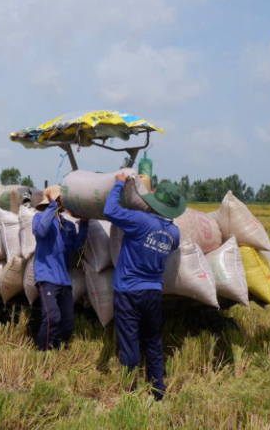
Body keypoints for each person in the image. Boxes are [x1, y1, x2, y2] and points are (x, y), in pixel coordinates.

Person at [103, 172, 185, 401]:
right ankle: (158, 388)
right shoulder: (174, 233)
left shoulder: (140, 221)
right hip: (153, 292)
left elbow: (110, 210)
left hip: (128, 290)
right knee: (152, 339)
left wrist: (119, 184)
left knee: (129, 340)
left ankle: (130, 389)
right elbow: (173, 245)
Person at [32, 185, 89, 351]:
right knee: (52, 317)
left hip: (64, 279)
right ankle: (44, 353)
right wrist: (52, 207)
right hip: (46, 276)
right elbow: (41, 232)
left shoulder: (68, 225)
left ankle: (56, 349)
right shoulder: (39, 218)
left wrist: (84, 224)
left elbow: (77, 246)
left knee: (68, 322)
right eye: (59, 200)